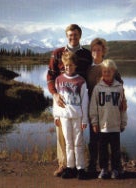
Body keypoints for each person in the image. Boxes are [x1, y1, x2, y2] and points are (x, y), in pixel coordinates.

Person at [46, 24, 92, 176]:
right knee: (63, 136)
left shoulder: (86, 54)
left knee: (78, 139)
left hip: (79, 102)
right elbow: (50, 76)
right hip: (62, 100)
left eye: (76, 35)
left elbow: (91, 73)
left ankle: (80, 166)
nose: (73, 37)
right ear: (67, 36)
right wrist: (54, 94)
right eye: (70, 35)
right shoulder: (58, 53)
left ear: (80, 36)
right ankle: (64, 164)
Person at [86, 38, 126, 177]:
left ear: (104, 51)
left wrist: (124, 101)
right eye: (94, 50)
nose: (96, 52)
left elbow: (120, 85)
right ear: (91, 52)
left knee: (113, 143)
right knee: (94, 140)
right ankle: (93, 165)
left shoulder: (109, 66)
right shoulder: (88, 68)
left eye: (99, 49)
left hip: (109, 108)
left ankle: (116, 167)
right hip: (93, 108)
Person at [53, 52, 88, 180]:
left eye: (71, 65)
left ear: (75, 65)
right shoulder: (59, 80)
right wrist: (56, 116)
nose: (68, 68)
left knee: (78, 142)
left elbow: (85, 101)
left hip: (77, 115)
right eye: (66, 65)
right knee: (68, 142)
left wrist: (85, 119)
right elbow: (56, 99)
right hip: (64, 116)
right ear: (63, 65)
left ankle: (80, 168)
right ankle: (70, 167)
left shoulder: (81, 81)